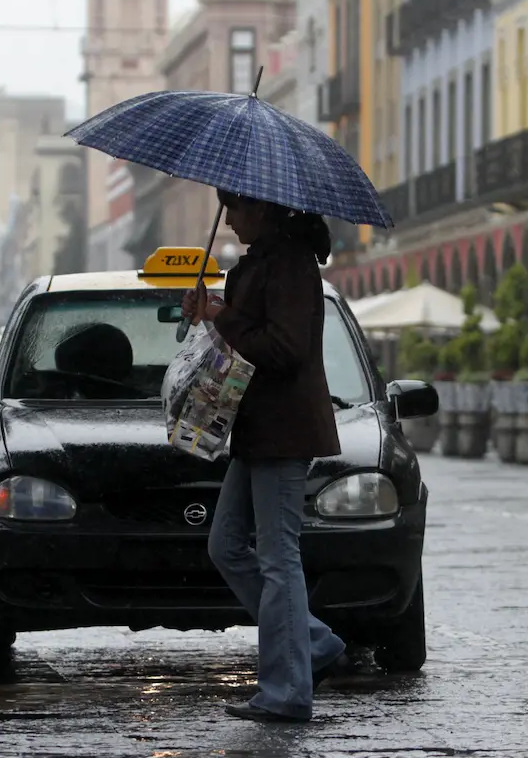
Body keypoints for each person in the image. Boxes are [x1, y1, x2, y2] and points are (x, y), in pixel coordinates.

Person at [182, 189, 348, 723]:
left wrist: (223, 316)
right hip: (255, 428)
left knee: (278, 557)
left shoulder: (292, 266)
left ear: (263, 209)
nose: (229, 219)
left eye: (236, 207)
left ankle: (287, 690)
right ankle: (313, 644)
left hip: (284, 429)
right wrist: (208, 315)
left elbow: (283, 349)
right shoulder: (259, 263)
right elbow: (240, 344)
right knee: (226, 544)